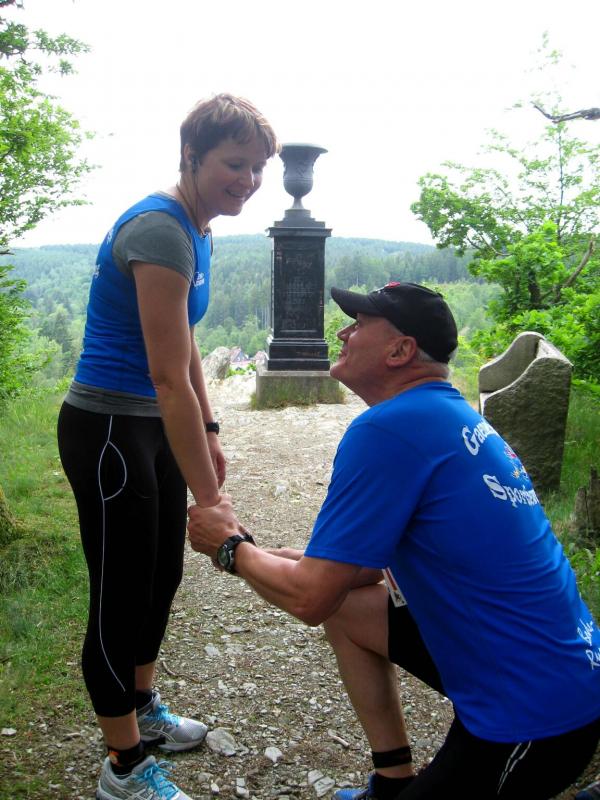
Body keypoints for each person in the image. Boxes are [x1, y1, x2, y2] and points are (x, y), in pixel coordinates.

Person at [187, 281, 600, 800]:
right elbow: (347, 577)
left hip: (536, 713)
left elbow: (310, 598)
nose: (343, 333)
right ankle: (391, 781)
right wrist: (280, 557)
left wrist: (229, 548)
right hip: (554, 669)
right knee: (348, 605)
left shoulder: (387, 430)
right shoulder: (445, 415)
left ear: (400, 350)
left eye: (359, 324)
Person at [57, 93, 278, 800]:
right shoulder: (159, 230)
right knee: (119, 594)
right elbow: (164, 375)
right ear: (191, 156)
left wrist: (208, 433)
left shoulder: (198, 228)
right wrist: (213, 502)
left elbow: (185, 350)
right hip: (110, 430)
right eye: (234, 164)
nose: (248, 180)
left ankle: (143, 708)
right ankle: (122, 768)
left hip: (152, 424)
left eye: (257, 168)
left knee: (161, 577)